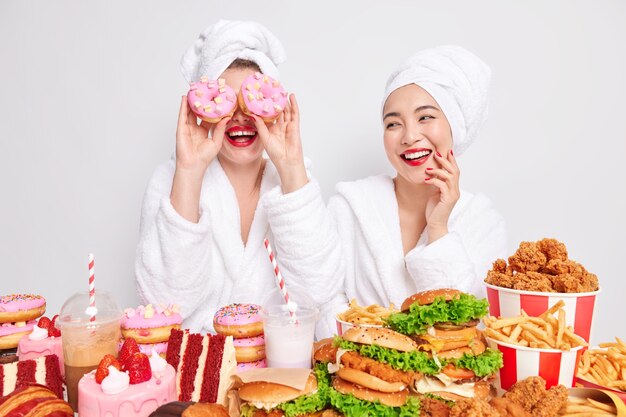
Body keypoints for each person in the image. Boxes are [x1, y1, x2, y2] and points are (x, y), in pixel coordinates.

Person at [135, 20, 342, 336]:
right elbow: (164, 307)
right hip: (197, 369)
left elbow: (319, 295)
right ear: (202, 109)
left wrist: (291, 169)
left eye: (253, 100)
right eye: (225, 102)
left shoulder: (294, 181)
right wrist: (189, 174)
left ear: (275, 108)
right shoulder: (170, 181)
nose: (241, 116)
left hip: (279, 369)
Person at [327, 46, 507, 322]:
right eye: (393, 124)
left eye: (425, 117)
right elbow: (326, 301)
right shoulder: (350, 207)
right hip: (360, 364)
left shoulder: (483, 223)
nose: (409, 136)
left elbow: (469, 325)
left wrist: (438, 229)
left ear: (454, 127)